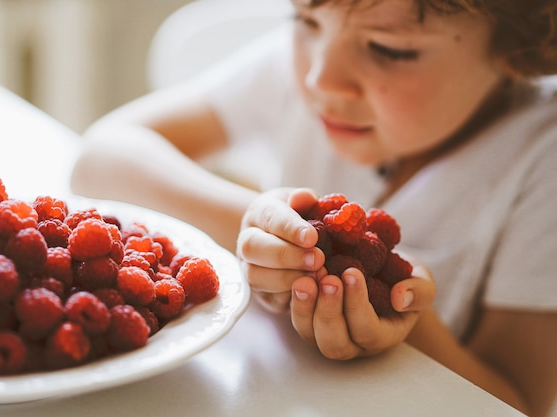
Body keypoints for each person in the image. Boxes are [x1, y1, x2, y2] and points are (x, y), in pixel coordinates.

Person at [70, 0, 557, 415]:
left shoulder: (542, 158)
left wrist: (404, 315)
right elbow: (103, 155)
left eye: (389, 49)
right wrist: (254, 224)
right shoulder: (291, 67)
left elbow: (516, 401)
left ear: (524, 46)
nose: (321, 76)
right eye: (306, 21)